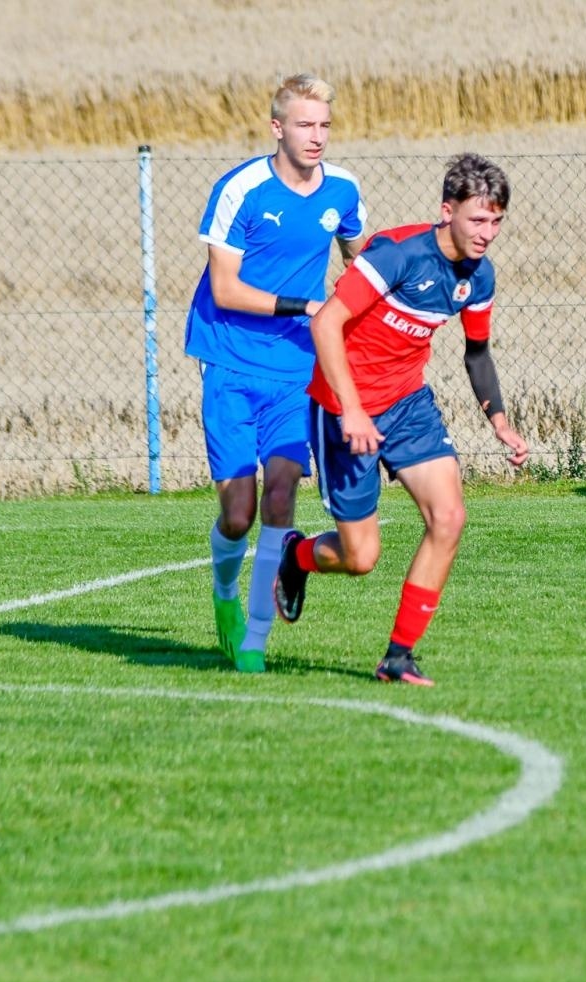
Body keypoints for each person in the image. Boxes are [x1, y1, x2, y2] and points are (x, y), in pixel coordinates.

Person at [273, 153, 529, 685]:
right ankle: (297, 556)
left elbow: (477, 354)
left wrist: (499, 422)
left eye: (497, 220)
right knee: (360, 556)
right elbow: (325, 326)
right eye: (478, 219)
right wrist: (353, 411)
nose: (488, 233)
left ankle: (398, 657)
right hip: (344, 406)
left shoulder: (478, 278)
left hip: (408, 404)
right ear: (447, 211)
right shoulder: (399, 255)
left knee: (449, 518)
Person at [184, 74, 367, 673]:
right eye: (305, 125)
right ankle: (225, 594)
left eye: (325, 125)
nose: (317, 137)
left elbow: (359, 267)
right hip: (232, 362)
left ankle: (256, 638)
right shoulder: (240, 190)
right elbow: (226, 288)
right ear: (278, 128)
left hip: (297, 372)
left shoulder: (343, 190)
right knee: (238, 513)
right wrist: (307, 306)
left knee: (282, 497)